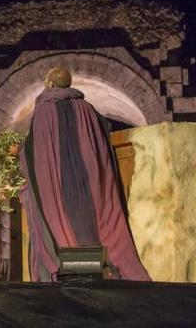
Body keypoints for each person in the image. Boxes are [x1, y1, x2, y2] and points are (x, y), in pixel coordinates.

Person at [19, 67, 150, 281]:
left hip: (58, 185)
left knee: (60, 223)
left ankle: (71, 269)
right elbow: (103, 134)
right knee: (92, 222)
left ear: (50, 84)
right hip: (90, 181)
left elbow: (34, 152)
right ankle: (94, 268)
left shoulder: (44, 112)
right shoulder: (88, 108)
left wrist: (20, 155)